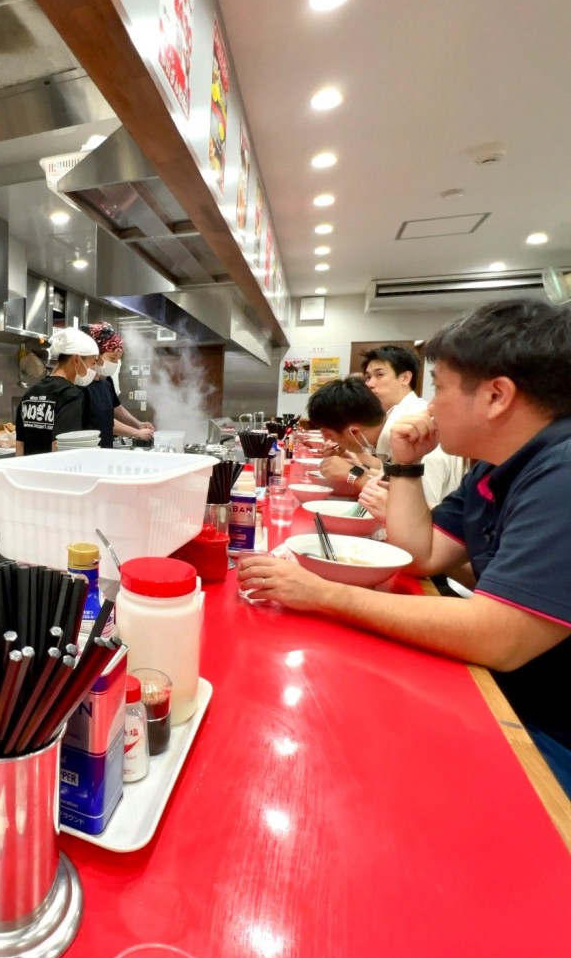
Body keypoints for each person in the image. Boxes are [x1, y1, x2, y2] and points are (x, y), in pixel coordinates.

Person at [240, 300, 571, 791]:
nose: (430, 407)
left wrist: (320, 594)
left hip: (549, 733)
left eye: (439, 387)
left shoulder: (562, 470)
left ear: (497, 396)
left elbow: (499, 635)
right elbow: (420, 557)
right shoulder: (494, 465)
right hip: (505, 698)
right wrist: (407, 465)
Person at [307, 377, 464, 513]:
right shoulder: (390, 432)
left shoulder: (416, 441)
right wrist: (357, 467)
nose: (430, 406)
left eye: (329, 435)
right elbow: (393, 484)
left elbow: (422, 515)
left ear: (354, 431)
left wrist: (353, 474)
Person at [15, 328, 99, 455]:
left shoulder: (31, 392)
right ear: (76, 359)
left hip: (28, 471)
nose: (93, 370)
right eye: (92, 363)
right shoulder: (71, 394)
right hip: (52, 472)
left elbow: (20, 445)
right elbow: (60, 447)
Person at [79, 322, 154, 448]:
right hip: (88, 450)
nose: (116, 363)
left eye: (119, 359)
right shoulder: (81, 384)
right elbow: (102, 420)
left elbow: (117, 409)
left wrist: (138, 424)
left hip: (106, 448)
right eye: (112, 358)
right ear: (95, 355)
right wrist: (135, 432)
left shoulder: (107, 381)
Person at [361, 344, 426, 454]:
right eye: (368, 377)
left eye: (379, 375)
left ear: (405, 378)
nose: (370, 384)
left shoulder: (419, 416)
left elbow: (427, 471)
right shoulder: (388, 413)